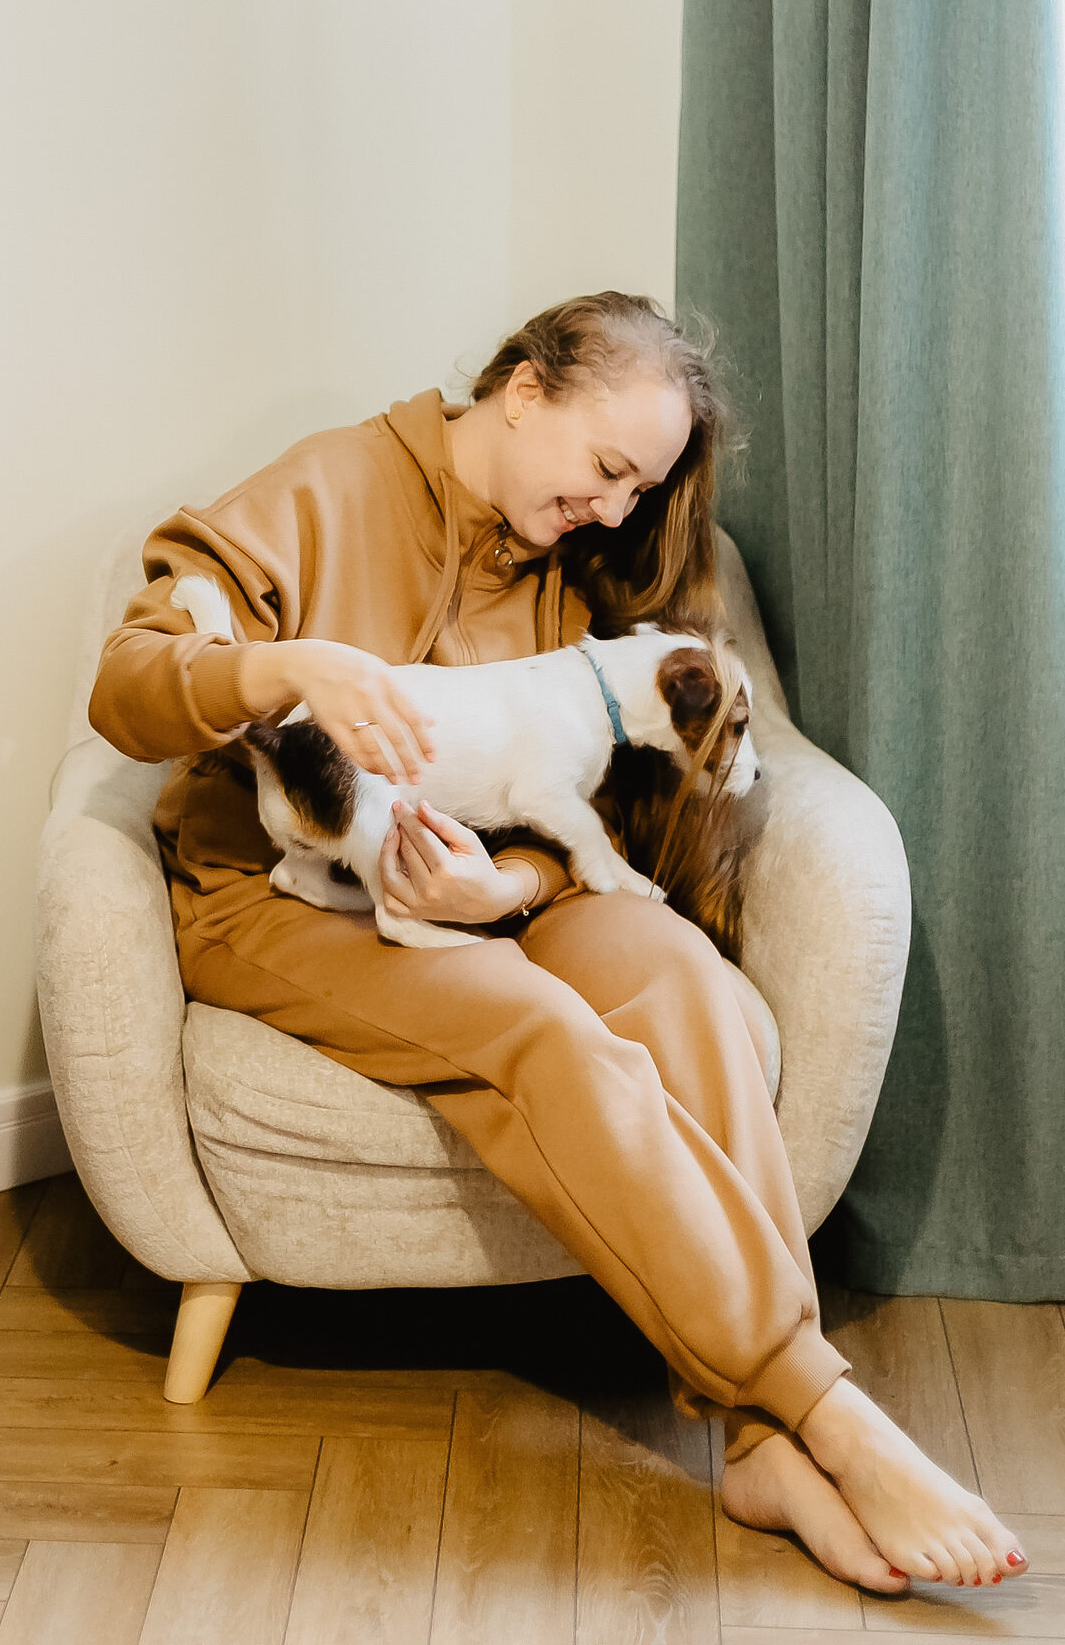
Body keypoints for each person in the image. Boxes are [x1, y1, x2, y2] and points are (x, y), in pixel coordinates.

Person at [87, 291, 1027, 1595]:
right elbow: (126, 684)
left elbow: (574, 808)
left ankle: (761, 1445)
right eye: (607, 467)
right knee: (547, 1032)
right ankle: (824, 1407)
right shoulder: (329, 486)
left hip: (504, 884)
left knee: (688, 986)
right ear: (523, 391)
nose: (617, 508)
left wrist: (507, 889)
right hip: (286, 898)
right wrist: (286, 670)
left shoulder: (570, 563)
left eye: (640, 488)